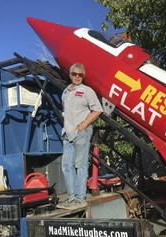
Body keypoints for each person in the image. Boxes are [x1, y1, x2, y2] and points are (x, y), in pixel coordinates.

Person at [61, 63, 103, 206]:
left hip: (81, 132)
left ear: (83, 76)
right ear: (70, 74)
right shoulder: (65, 92)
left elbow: (98, 109)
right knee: (67, 166)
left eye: (80, 75)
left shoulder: (87, 91)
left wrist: (84, 124)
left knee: (80, 165)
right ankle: (71, 197)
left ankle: (80, 197)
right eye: (75, 74)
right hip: (67, 133)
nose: (77, 77)